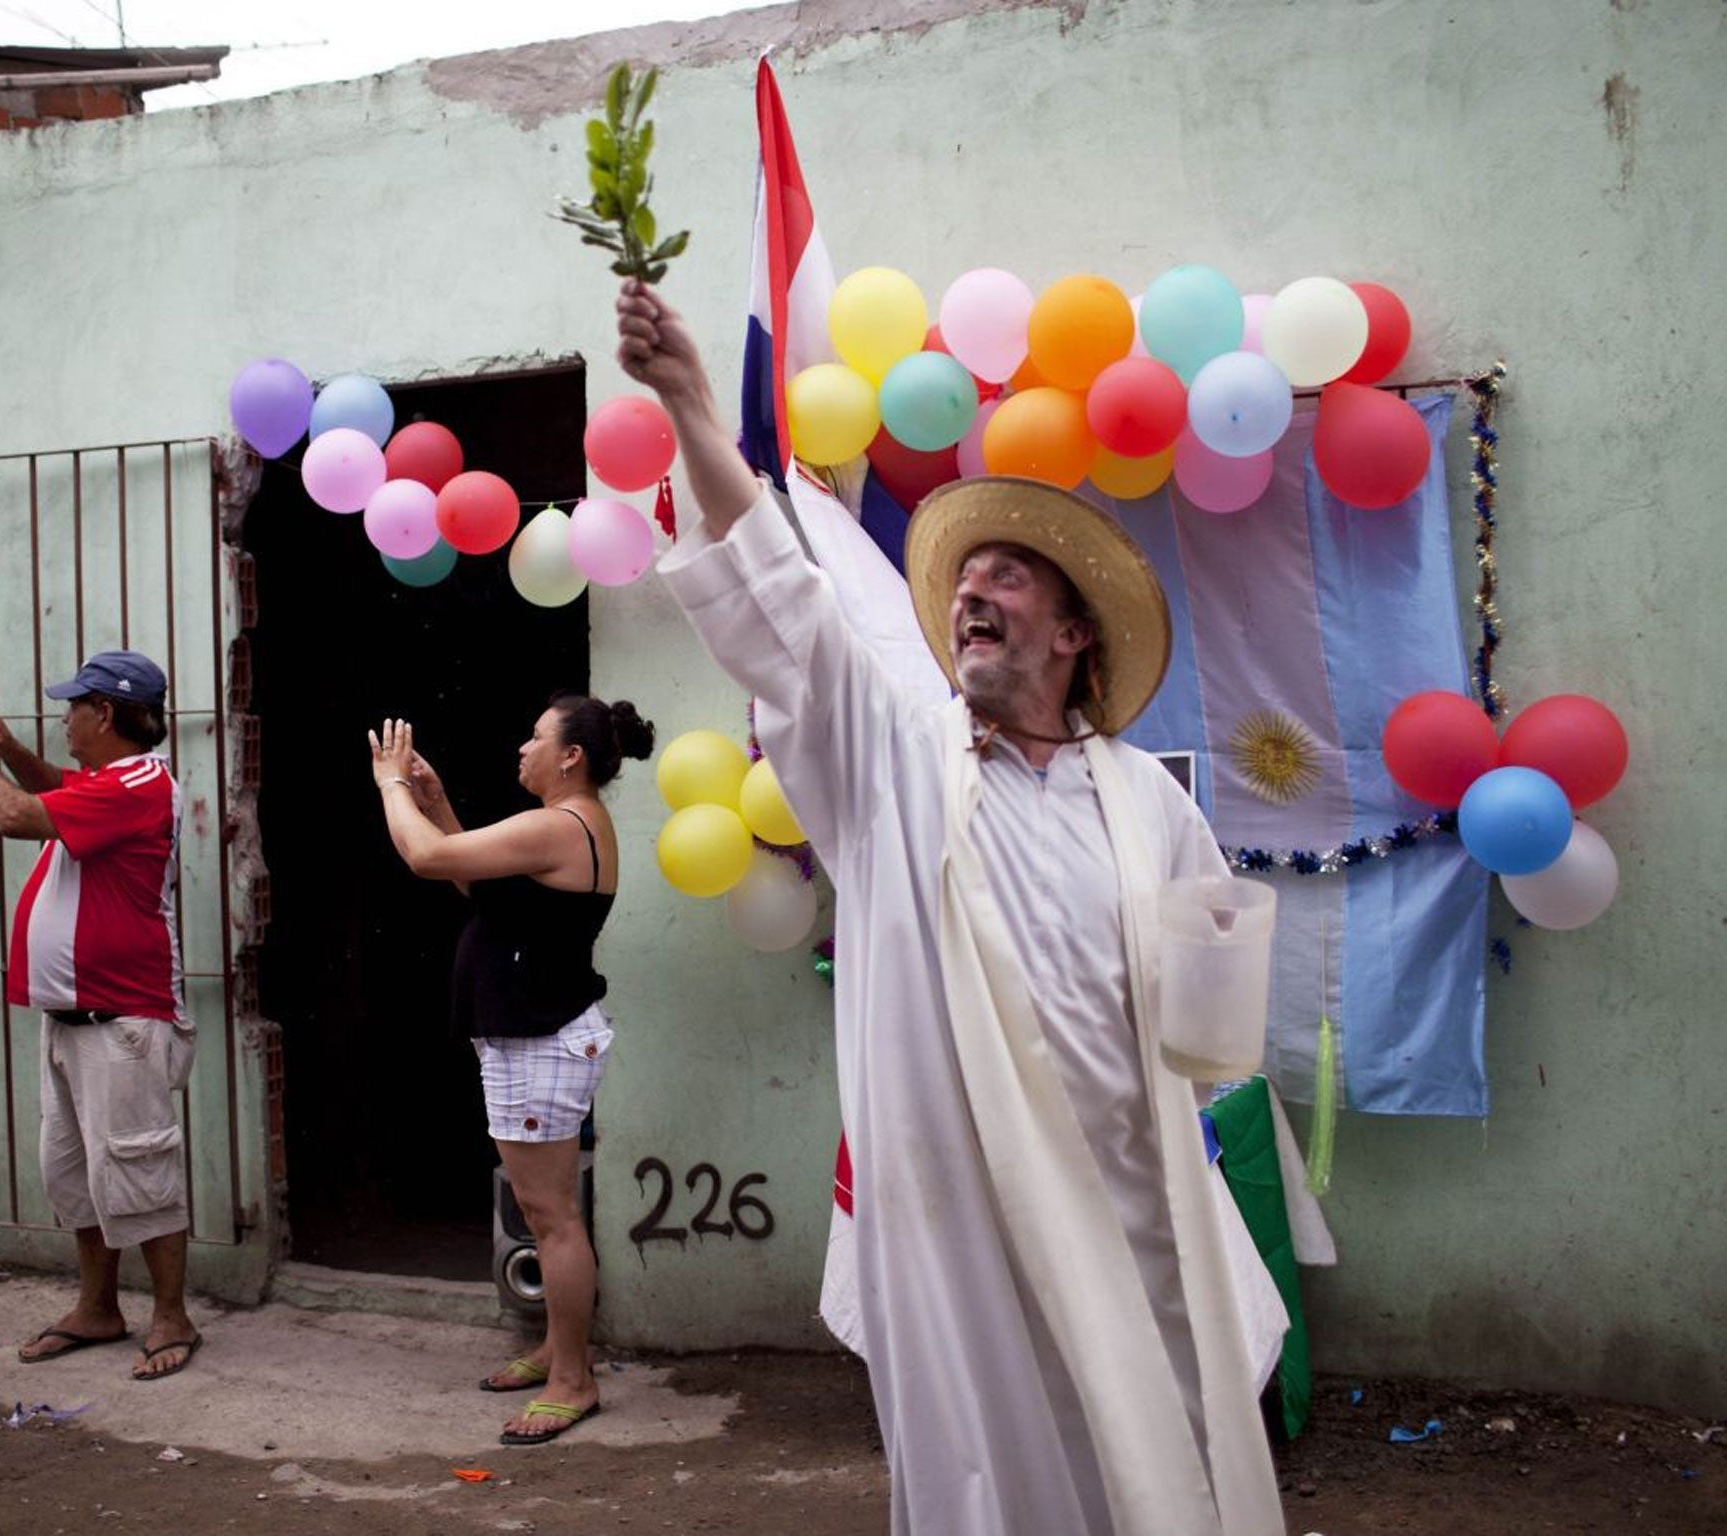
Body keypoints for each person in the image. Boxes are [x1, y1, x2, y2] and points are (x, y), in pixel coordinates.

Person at [618, 280, 1289, 1536]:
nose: (970, 595)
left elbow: (1211, 1029)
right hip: (964, 1225)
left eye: (1007, 580)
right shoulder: (893, 765)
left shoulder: (1147, 802)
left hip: (1136, 1206)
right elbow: (788, 620)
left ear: (1075, 635)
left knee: (1163, 1456)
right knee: (993, 1476)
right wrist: (694, 413)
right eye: (960, 581)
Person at [368, 692, 654, 1448]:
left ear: (571, 757)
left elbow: (428, 861)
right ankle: (557, 1353)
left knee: (552, 1217)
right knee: (545, 1211)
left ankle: (573, 1380)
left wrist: (392, 784)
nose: (520, 750)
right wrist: (438, 802)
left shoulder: (558, 824)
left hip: (539, 1040)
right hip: (533, 1037)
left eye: (535, 738)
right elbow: (483, 888)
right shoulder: (561, 826)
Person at [0, 650, 203, 1382]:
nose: (63, 717)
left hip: (121, 1017)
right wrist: (9, 749)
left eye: (72, 707)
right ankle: (98, 1307)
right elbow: (57, 788)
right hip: (73, 1016)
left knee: (139, 1170)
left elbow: (15, 814)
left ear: (106, 715)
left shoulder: (139, 785)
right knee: (76, 1174)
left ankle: (172, 1316)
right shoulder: (111, 781)